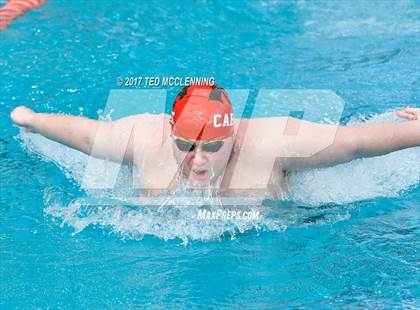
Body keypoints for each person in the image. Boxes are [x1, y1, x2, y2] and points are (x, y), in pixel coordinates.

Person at [10, 84, 420, 199]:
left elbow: (360, 142)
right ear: (171, 133)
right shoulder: (141, 139)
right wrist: (29, 119)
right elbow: (85, 134)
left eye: (211, 147)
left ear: (234, 136)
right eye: (186, 145)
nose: (198, 161)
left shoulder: (273, 144)